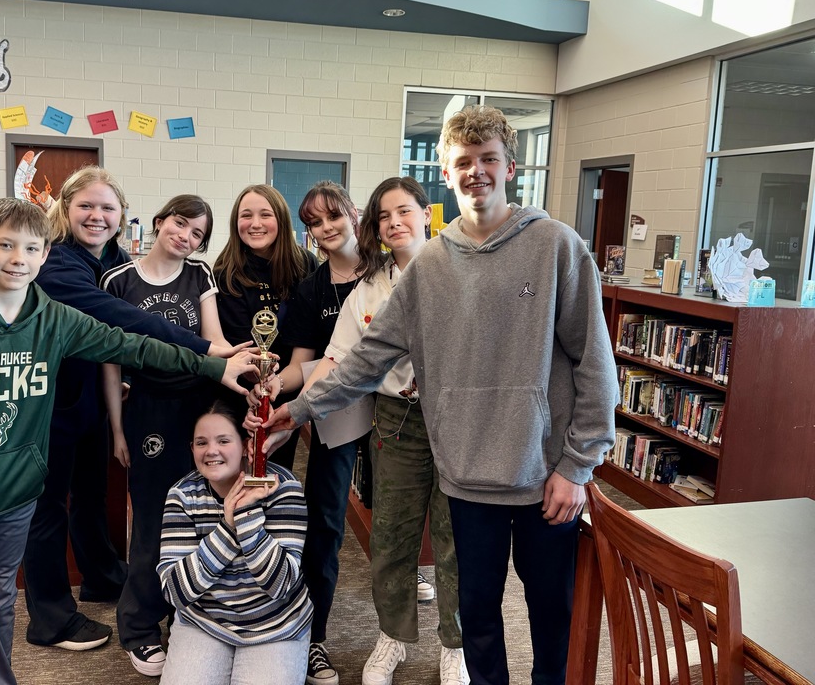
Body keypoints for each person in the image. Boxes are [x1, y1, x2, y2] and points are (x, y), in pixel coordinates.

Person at [264, 106, 618, 685]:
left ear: (509, 167)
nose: (476, 172)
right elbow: (367, 359)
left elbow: (595, 365)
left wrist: (578, 465)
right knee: (477, 618)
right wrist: (299, 410)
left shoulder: (557, 246)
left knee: (552, 616)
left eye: (488, 160)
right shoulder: (429, 265)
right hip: (467, 480)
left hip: (546, 476)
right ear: (446, 178)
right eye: (463, 164)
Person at [0, 198, 259, 685]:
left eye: (31, 248)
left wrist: (214, 365)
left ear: (45, 255)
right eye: (5, 245)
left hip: (18, 495)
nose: (18, 258)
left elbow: (132, 344)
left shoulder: (55, 320)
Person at [23, 166, 243, 654]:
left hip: (92, 402)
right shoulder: (58, 262)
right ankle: (50, 616)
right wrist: (203, 349)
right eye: (86, 206)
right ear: (64, 208)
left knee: (91, 495)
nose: (97, 216)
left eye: (108, 208)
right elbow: (123, 320)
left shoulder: (113, 259)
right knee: (48, 506)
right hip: (50, 403)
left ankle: (101, 576)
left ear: (123, 216)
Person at [259, 177, 466, 685]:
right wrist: (297, 407)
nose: (394, 223)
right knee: (390, 536)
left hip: (457, 420)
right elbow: (337, 359)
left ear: (426, 214)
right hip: (395, 421)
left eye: (404, 212)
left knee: (455, 536)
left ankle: (455, 644)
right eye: (385, 217)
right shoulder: (368, 287)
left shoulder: (457, 271)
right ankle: (392, 637)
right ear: (372, 225)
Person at [100, 194, 231, 676]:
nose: (186, 237)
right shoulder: (119, 279)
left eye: (197, 233)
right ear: (158, 222)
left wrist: (239, 360)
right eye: (180, 224)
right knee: (152, 521)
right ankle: (138, 626)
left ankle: (188, 618)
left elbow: (212, 340)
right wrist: (117, 426)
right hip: (147, 408)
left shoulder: (200, 274)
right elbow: (109, 358)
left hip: (196, 408)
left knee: (200, 514)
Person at [245, 181, 363, 685]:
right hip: (339, 410)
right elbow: (303, 363)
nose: (325, 228)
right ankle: (312, 638)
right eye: (314, 222)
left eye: (332, 215)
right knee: (325, 522)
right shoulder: (314, 288)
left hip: (401, 413)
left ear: (354, 213)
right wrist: (277, 388)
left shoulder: (389, 270)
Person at [156, 401, 313, 685]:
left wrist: (246, 514)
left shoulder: (283, 487)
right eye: (201, 442)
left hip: (275, 625)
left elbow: (279, 584)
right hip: (205, 622)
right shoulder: (181, 495)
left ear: (244, 445)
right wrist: (228, 526)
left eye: (223, 440)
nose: (211, 451)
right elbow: (175, 591)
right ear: (191, 449)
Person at [213, 184, 317, 468]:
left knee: (276, 467)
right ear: (236, 223)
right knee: (236, 467)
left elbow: (308, 335)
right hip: (242, 391)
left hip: (288, 387)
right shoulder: (225, 271)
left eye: (265, 215)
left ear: (280, 220)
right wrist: (256, 389)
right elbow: (235, 342)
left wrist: (278, 387)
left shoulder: (305, 264)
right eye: (246, 215)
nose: (255, 224)